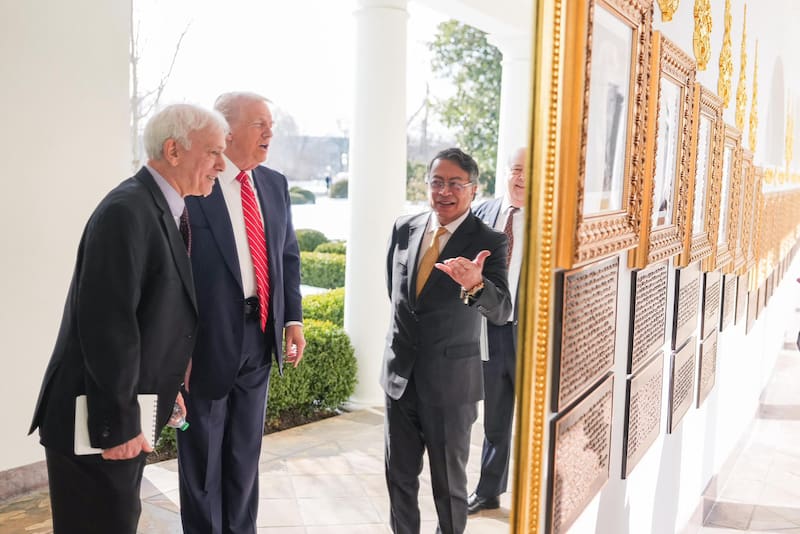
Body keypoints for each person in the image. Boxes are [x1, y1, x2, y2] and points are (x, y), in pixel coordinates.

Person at [28, 103, 228, 534]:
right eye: (213, 152)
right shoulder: (128, 210)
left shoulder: (160, 207)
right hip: (96, 423)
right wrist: (117, 426)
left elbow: (148, 317)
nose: (222, 165)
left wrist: (166, 389)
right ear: (173, 151)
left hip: (119, 411)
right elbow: (108, 327)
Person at [178, 91, 306, 534]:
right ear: (227, 131)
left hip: (259, 335)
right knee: (202, 460)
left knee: (245, 454)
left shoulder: (274, 184)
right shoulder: (196, 184)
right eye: (259, 124)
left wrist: (292, 320)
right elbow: (174, 272)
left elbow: (287, 256)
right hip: (206, 342)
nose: (270, 132)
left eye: (271, 124)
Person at [382, 147, 512, 534]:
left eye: (455, 183)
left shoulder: (488, 240)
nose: (444, 191)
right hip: (399, 378)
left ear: (474, 189)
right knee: (399, 479)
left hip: (451, 387)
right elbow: (397, 294)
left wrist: (475, 284)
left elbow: (501, 310)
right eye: (437, 182)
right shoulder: (404, 227)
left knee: (449, 488)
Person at [468, 147, 528, 514]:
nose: (522, 178)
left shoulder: (551, 220)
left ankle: (540, 496)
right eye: (517, 169)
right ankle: (488, 491)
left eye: (531, 171)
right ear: (505, 172)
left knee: (537, 421)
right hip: (489, 332)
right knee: (495, 418)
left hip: (533, 336)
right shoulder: (482, 214)